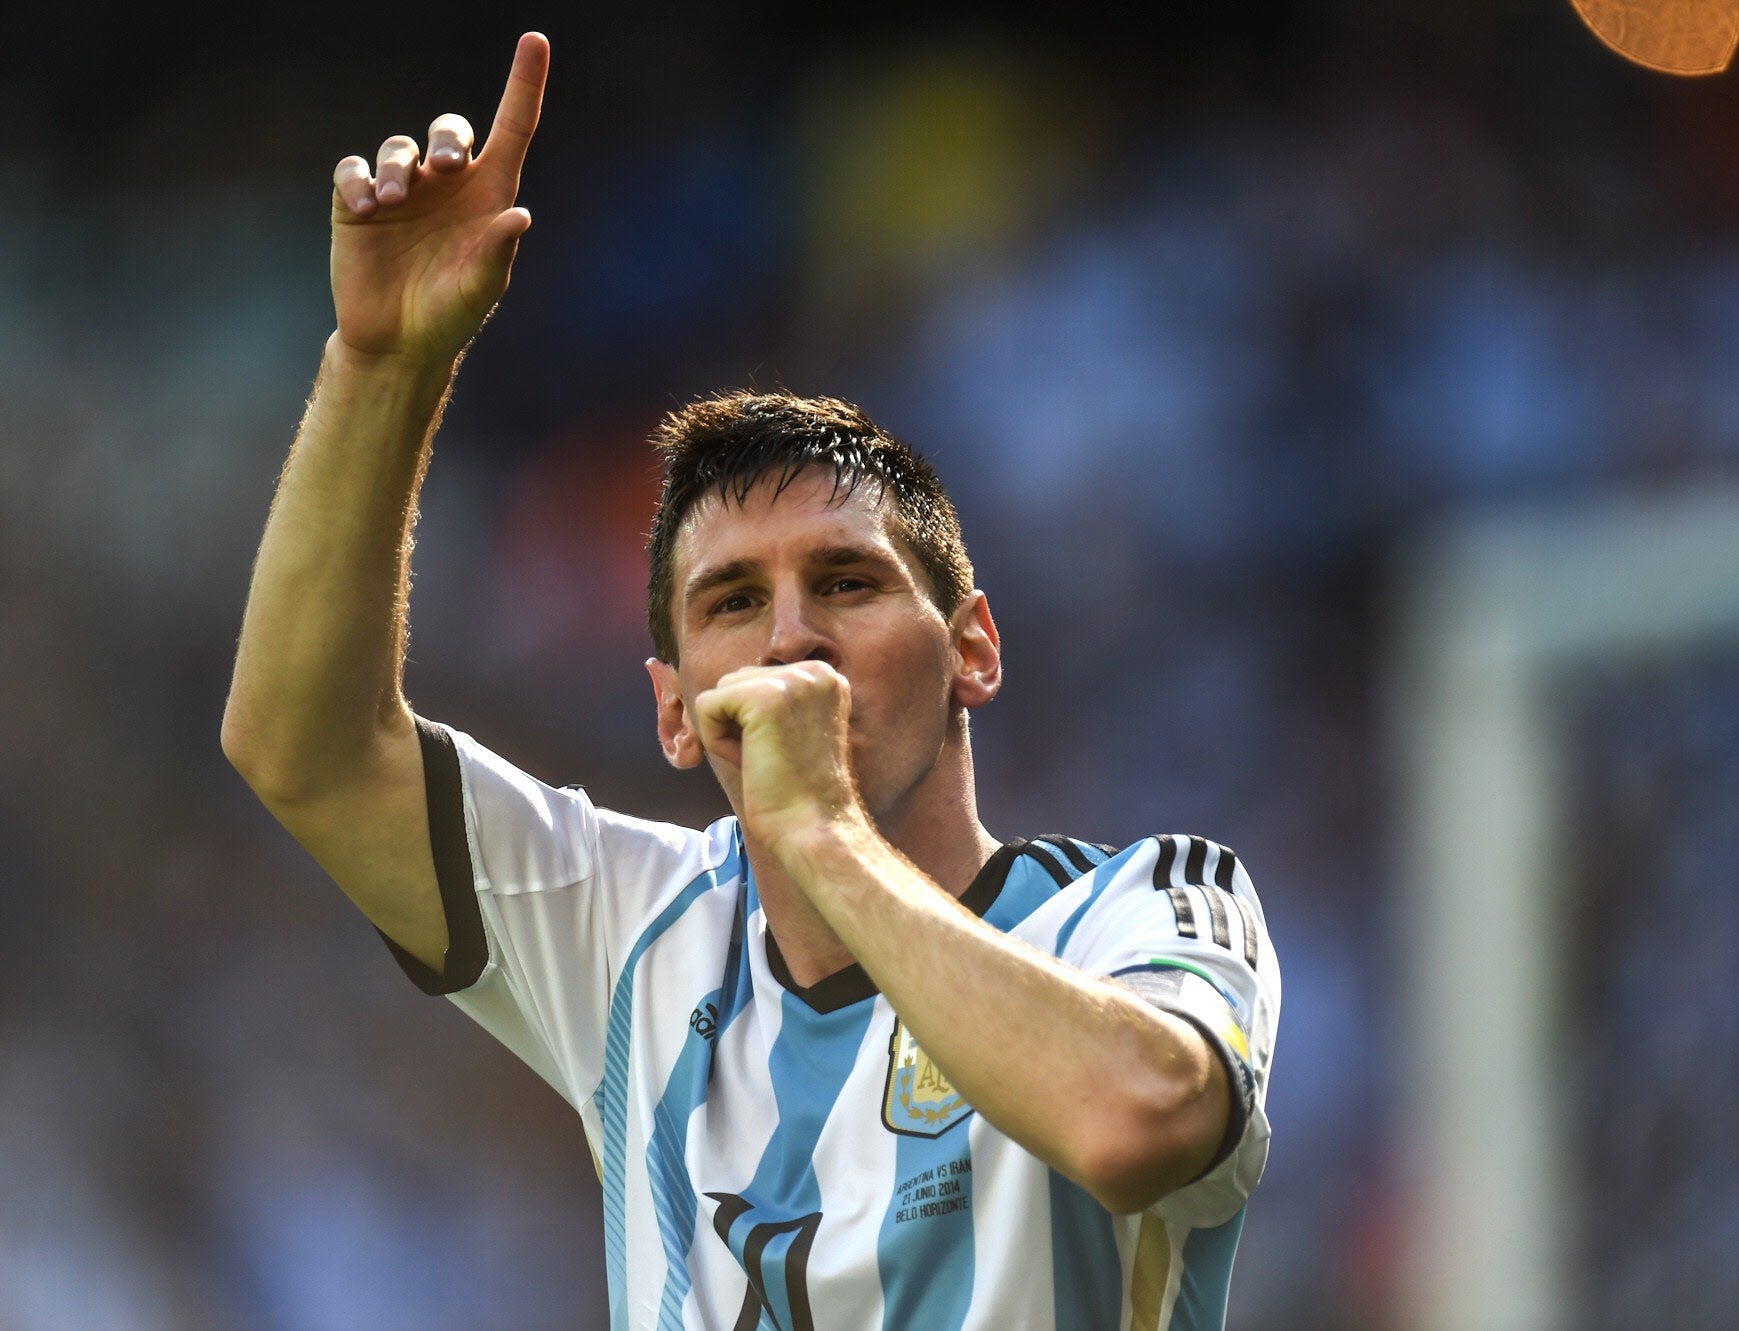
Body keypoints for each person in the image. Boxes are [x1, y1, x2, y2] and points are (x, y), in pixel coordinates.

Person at [221, 32, 1279, 1331]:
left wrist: (821, 837)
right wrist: (383, 368)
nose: (789, 637)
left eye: (846, 583)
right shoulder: (634, 936)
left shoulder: (1146, 904)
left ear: (974, 650)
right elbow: (304, 751)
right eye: (732, 602)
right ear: (674, 707)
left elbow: (1140, 1122)